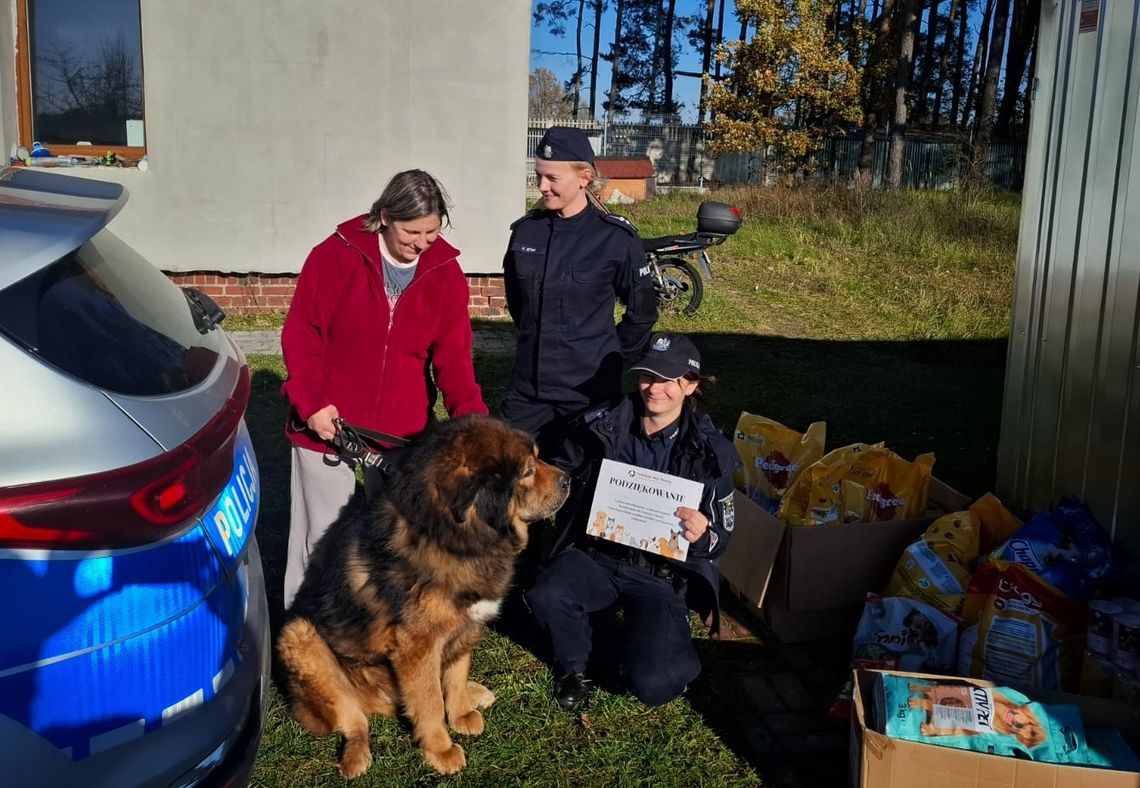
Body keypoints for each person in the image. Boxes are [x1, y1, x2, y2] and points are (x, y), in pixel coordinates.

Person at [279, 169, 488, 609]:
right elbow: (303, 335)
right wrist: (313, 404)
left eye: (432, 232)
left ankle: (379, 627)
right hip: (327, 425)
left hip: (402, 435)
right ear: (385, 217)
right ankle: (306, 628)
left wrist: (474, 424)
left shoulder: (445, 274)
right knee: (321, 539)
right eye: (412, 232)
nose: (422, 243)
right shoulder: (334, 256)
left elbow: (453, 360)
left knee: (393, 541)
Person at [524, 332, 741, 710]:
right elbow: (560, 469)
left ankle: (673, 654)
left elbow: (722, 536)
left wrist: (703, 534)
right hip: (597, 554)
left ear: (690, 386)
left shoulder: (711, 452)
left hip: (659, 573)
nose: (653, 389)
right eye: (646, 376)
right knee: (545, 593)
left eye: (667, 380)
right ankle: (572, 667)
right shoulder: (603, 424)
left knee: (653, 686)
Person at [501, 126, 658, 446]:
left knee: (586, 482)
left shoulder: (615, 238)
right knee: (506, 478)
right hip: (528, 391)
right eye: (538, 176)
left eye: (552, 178)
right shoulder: (525, 233)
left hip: (588, 392)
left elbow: (642, 312)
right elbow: (519, 305)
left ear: (584, 177)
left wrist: (611, 358)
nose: (542, 186)